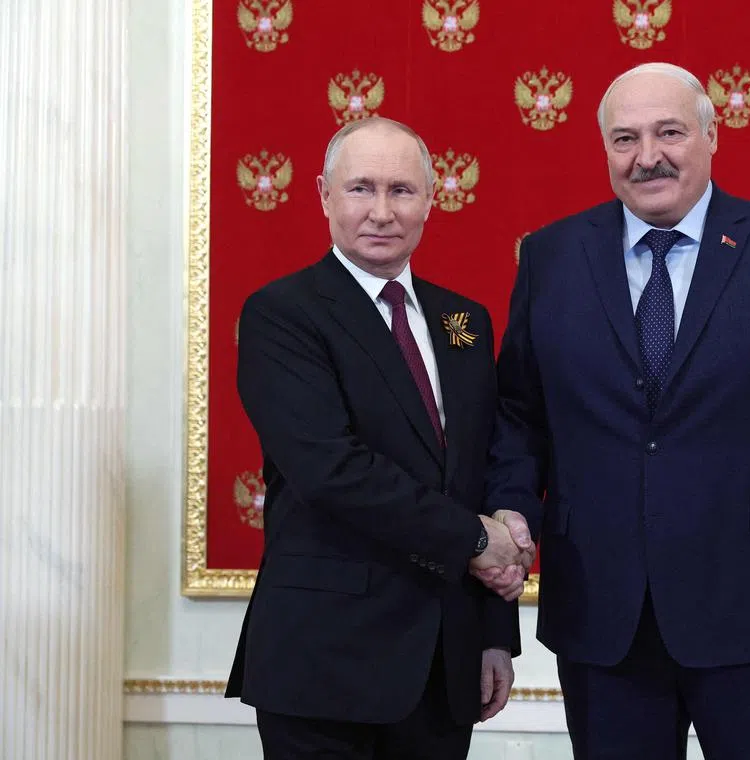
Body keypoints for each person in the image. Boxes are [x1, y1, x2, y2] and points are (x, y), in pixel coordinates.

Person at [484, 63, 750, 758]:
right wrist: (510, 510)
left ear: (712, 137)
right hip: (604, 613)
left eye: (670, 132)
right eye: (625, 138)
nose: (647, 156)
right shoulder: (551, 257)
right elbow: (518, 416)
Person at [225, 117, 534, 760]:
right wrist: (478, 538)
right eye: (362, 188)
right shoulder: (282, 314)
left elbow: (484, 462)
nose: (382, 211)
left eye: (402, 190)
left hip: (444, 665)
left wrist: (495, 631)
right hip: (325, 666)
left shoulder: (463, 321)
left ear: (431, 200)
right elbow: (330, 470)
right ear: (324, 195)